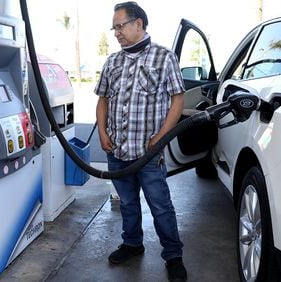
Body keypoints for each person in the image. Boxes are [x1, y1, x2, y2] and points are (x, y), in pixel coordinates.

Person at [94, 2, 187, 281]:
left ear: (139, 24)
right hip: (118, 151)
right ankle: (132, 244)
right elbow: (103, 100)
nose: (116, 33)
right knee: (128, 204)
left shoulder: (163, 57)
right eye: (114, 28)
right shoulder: (112, 62)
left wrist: (161, 136)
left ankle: (173, 256)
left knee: (160, 206)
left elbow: (178, 99)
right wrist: (102, 133)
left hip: (148, 153)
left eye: (120, 26)